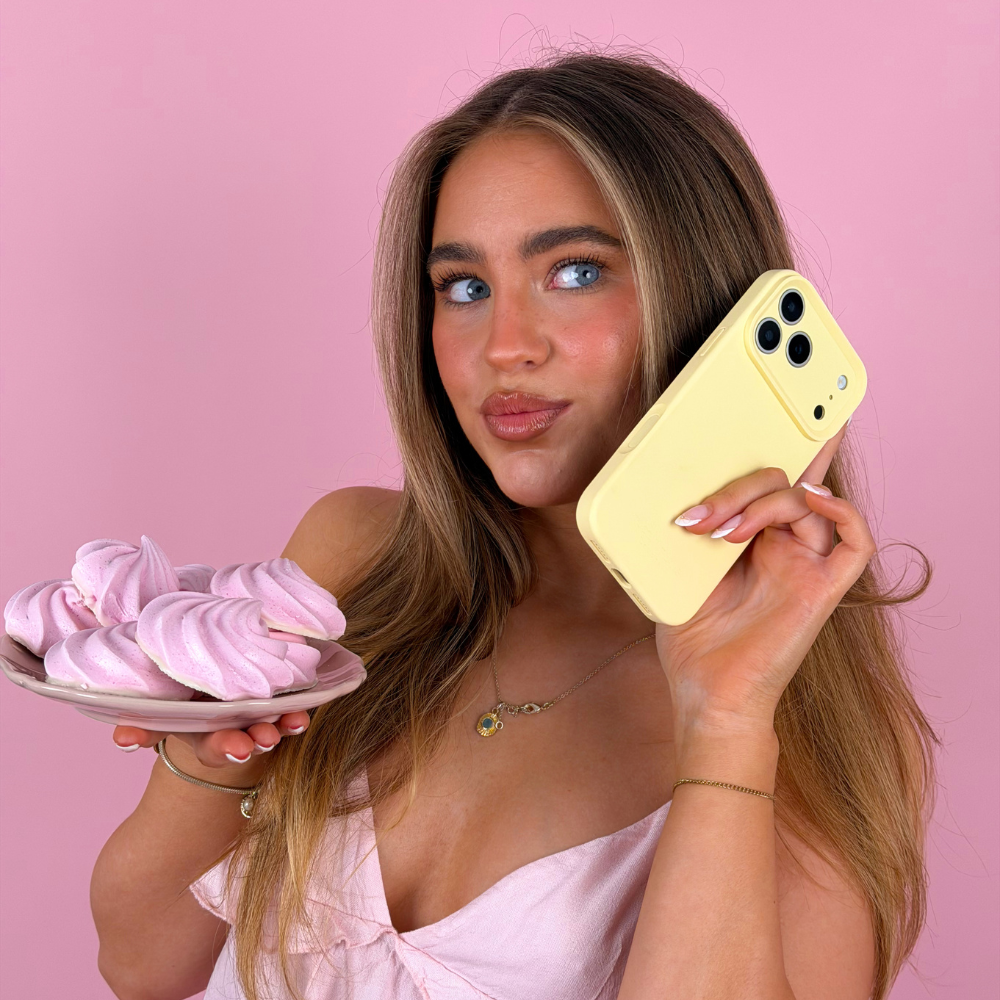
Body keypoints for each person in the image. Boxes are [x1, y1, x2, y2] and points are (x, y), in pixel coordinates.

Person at [91, 49, 937, 1000]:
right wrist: (205, 757)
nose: (503, 348)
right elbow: (144, 965)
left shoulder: (814, 726)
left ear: (704, 299)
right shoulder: (356, 560)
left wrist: (727, 720)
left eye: (575, 271)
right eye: (464, 286)